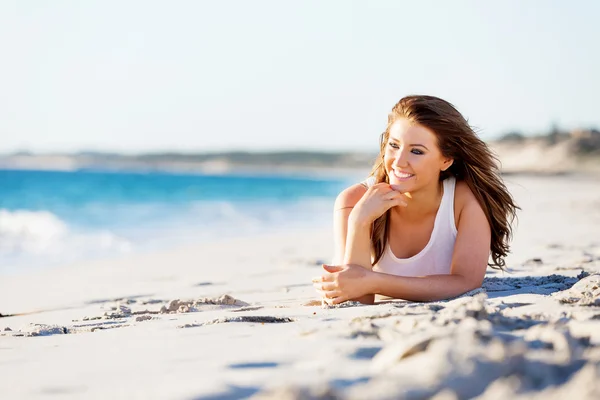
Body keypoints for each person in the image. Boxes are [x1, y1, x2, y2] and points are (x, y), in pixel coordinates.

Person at [313, 95, 519, 305]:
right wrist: (359, 220)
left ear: (446, 160)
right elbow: (355, 298)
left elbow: (467, 283)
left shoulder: (465, 201)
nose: (399, 162)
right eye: (394, 145)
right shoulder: (354, 201)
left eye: (417, 151)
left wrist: (373, 282)